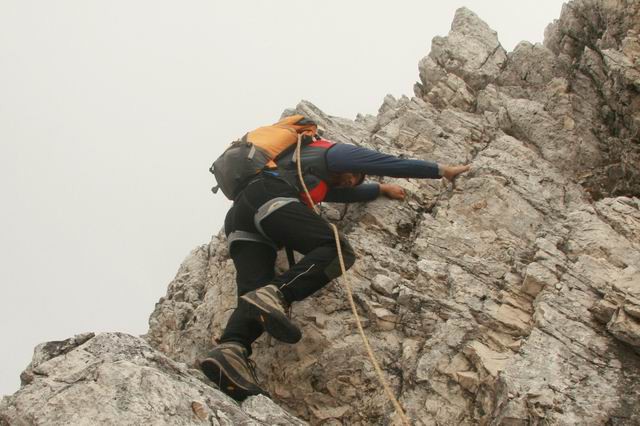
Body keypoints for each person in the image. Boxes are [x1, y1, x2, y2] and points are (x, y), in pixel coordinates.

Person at [200, 118, 470, 400]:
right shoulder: (332, 152)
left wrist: (379, 189)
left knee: (253, 294)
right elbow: (386, 162)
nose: (353, 180)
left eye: (356, 181)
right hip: (268, 197)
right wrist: (441, 170)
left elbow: (346, 192)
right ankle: (278, 293)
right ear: (351, 164)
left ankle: (231, 351)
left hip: (239, 219)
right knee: (335, 248)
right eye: (356, 174)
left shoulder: (310, 174)